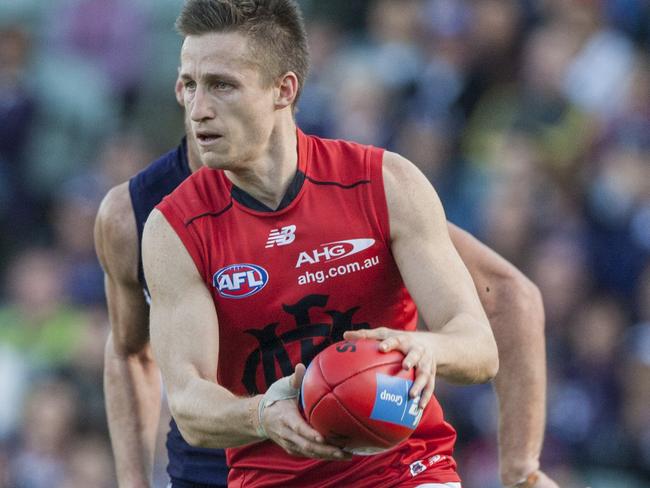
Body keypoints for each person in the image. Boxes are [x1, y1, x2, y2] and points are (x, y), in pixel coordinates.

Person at [95, 3, 558, 488]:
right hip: (252, 466)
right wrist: (261, 416)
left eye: (222, 85)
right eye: (189, 85)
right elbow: (178, 393)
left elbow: (486, 333)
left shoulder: (382, 183)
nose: (198, 109)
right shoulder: (163, 223)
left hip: (400, 467)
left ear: (284, 88)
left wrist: (426, 348)